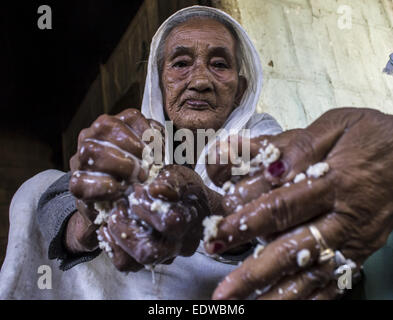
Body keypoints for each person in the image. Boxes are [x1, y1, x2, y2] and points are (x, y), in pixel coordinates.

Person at [0, 6, 392, 300]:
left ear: (239, 89)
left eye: (219, 64)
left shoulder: (260, 136)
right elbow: (57, 201)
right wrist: (90, 218)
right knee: (39, 185)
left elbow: (278, 204)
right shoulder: (131, 134)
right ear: (160, 82)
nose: (200, 80)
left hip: (222, 294)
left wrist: (208, 207)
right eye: (181, 63)